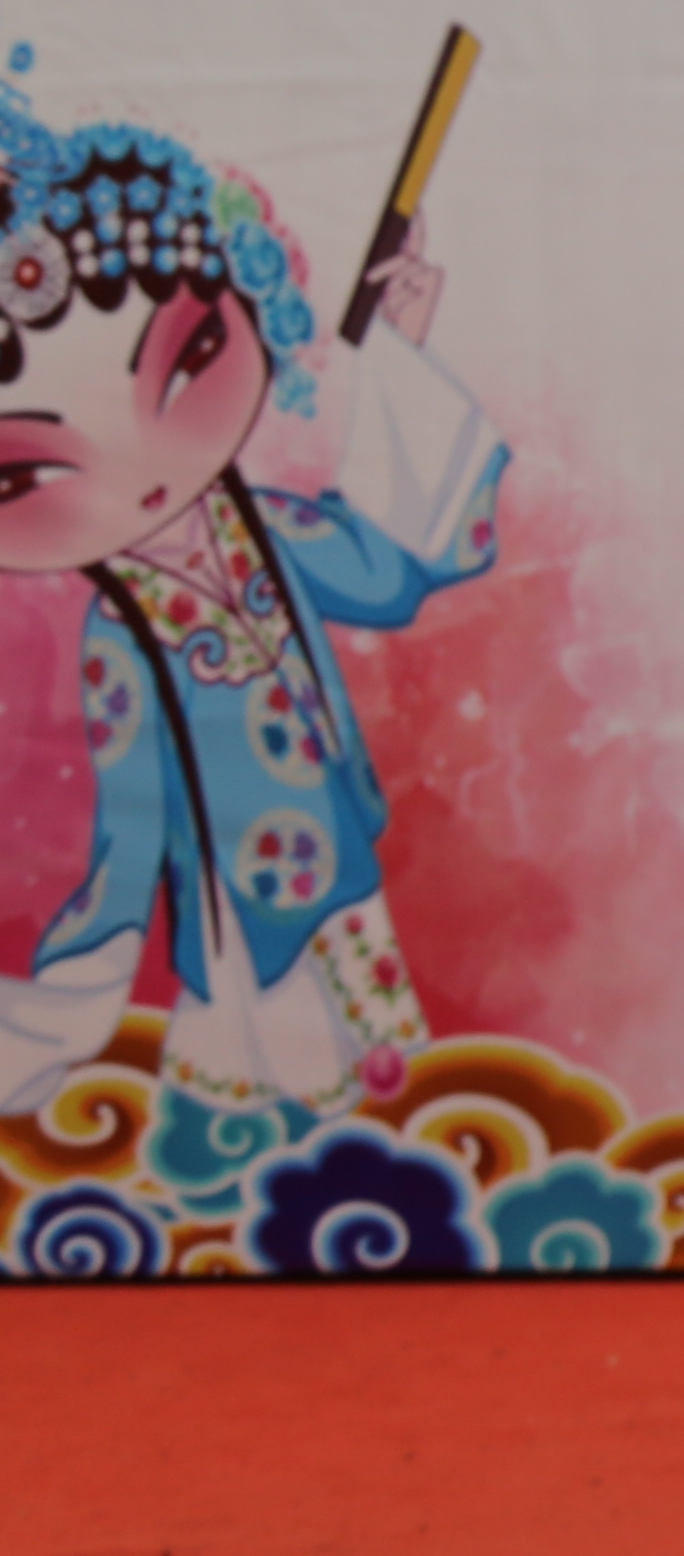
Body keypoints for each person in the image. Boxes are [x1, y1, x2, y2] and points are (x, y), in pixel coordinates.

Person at [0, 73, 495, 1122]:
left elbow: (388, 573)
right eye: (28, 476)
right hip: (234, 902)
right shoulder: (121, 634)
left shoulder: (265, 529)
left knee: (385, 1092)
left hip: (339, 856)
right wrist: (89, 967)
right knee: (261, 1095)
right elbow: (132, 820)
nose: (139, 472)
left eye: (189, 362)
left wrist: (396, 357)